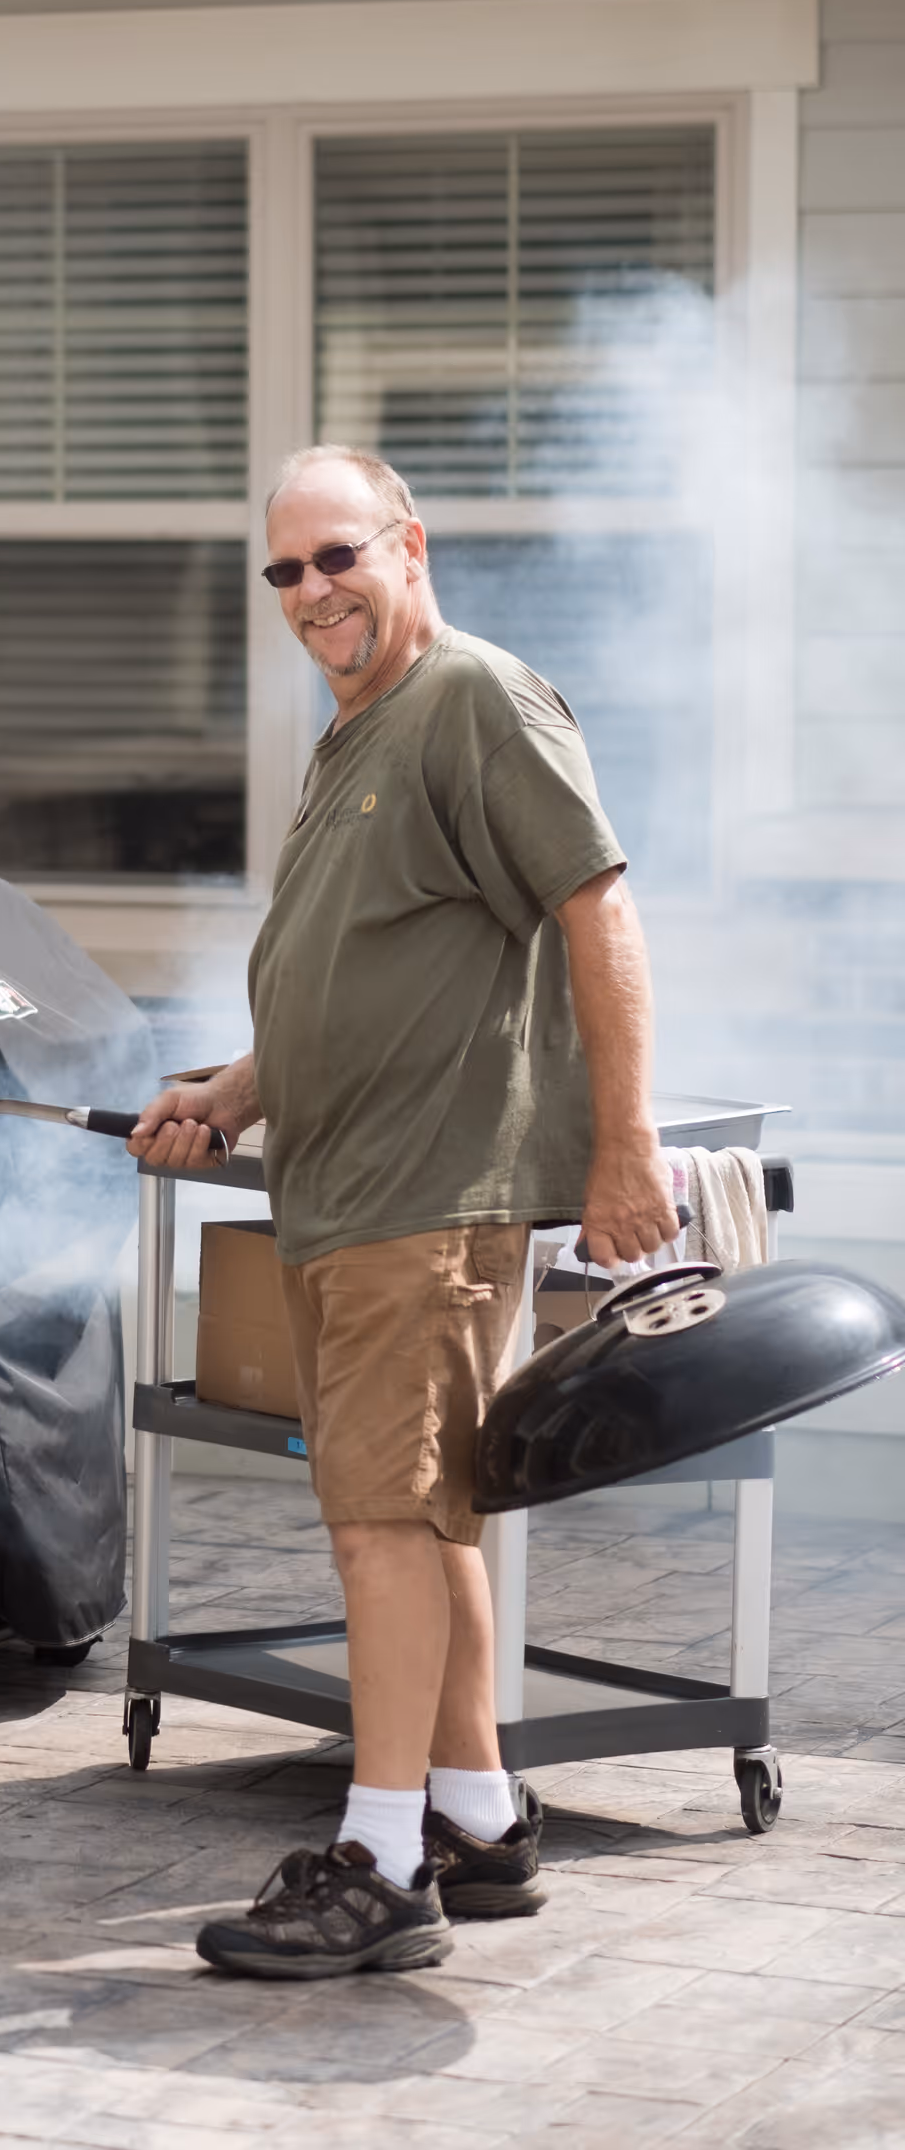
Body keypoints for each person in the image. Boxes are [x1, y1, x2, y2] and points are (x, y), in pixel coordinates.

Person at [129, 445, 679, 1981]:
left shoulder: (480, 701)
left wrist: (623, 1146)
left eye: (339, 558)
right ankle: (479, 1819)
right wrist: (237, 1090)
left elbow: (599, 907)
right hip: (346, 1187)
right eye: (287, 572)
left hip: (424, 1203)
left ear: (411, 548)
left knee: (377, 1524)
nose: (314, 594)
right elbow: (354, 969)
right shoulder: (360, 730)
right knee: (425, 1522)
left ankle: (380, 1868)